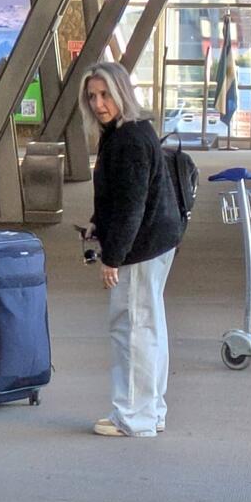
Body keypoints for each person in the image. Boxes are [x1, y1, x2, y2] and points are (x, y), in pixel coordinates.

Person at [80, 61, 184, 438]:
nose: (98, 103)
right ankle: (150, 410)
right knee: (148, 326)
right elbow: (119, 196)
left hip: (141, 247)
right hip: (154, 241)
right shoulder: (126, 132)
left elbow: (132, 205)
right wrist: (97, 221)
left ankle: (135, 417)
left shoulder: (129, 139)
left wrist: (112, 258)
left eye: (105, 94)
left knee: (134, 328)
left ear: (122, 92)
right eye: (92, 96)